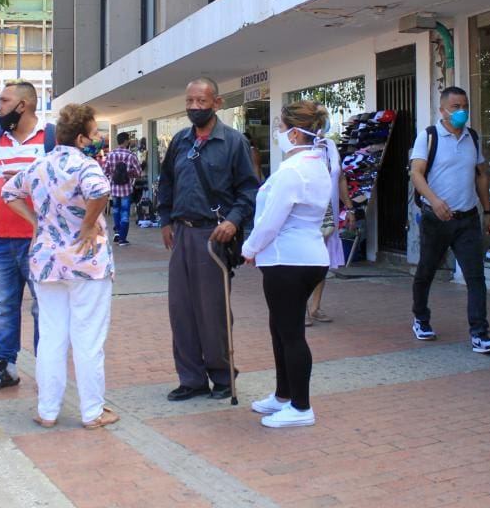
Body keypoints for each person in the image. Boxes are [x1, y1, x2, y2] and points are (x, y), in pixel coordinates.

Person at [1, 103, 119, 429]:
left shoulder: (39, 165)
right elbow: (101, 190)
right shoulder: (85, 165)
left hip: (46, 261)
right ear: (81, 137)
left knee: (52, 336)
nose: (97, 139)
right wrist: (89, 221)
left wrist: (36, 220)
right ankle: (92, 411)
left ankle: (47, 410)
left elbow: (9, 191)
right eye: (94, 133)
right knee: (88, 338)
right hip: (86, 261)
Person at [157, 77, 259, 401]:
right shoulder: (180, 141)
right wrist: (164, 219)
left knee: (212, 310)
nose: (194, 108)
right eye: (189, 102)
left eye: (201, 102)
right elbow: (167, 182)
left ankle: (223, 377)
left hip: (213, 235)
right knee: (181, 310)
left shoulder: (233, 142)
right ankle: (191, 379)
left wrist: (233, 220)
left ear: (217, 103)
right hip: (182, 231)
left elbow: (249, 189)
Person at [243, 101, 333, 428]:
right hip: (303, 258)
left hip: (289, 262)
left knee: (291, 333)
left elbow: (270, 221)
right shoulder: (315, 163)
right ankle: (283, 395)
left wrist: (250, 249)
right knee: (280, 327)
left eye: (280, 128)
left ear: (294, 133)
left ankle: (301, 406)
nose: (278, 134)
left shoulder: (294, 171)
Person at [0, 81, 54, 392]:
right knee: (4, 305)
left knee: (41, 306)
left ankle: (46, 369)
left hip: (39, 239)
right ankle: (6, 367)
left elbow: (64, 183)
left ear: (23, 105)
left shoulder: (50, 138)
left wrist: (29, 180)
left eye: (4, 100)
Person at [409, 86, 490, 354]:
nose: (461, 112)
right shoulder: (428, 137)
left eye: (464, 106)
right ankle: (421, 319)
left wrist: (487, 210)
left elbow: (481, 175)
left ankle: (480, 333)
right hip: (435, 219)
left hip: (467, 220)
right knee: (426, 271)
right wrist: (435, 201)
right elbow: (416, 174)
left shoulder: (472, 137)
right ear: (442, 110)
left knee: (476, 277)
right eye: (455, 107)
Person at [305, 136, 352, 326]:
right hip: (309, 214)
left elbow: (340, 178)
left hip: (328, 216)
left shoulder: (331, 146)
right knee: (305, 263)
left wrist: (348, 207)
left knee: (321, 262)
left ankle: (315, 307)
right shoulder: (303, 146)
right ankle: (301, 308)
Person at [101, 132, 143, 246]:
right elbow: (139, 172)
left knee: (116, 210)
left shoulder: (111, 154)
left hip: (114, 187)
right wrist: (130, 174)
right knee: (125, 212)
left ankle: (117, 233)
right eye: (128, 139)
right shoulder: (131, 155)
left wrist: (113, 173)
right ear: (125, 141)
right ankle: (122, 239)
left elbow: (105, 171)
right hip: (126, 188)